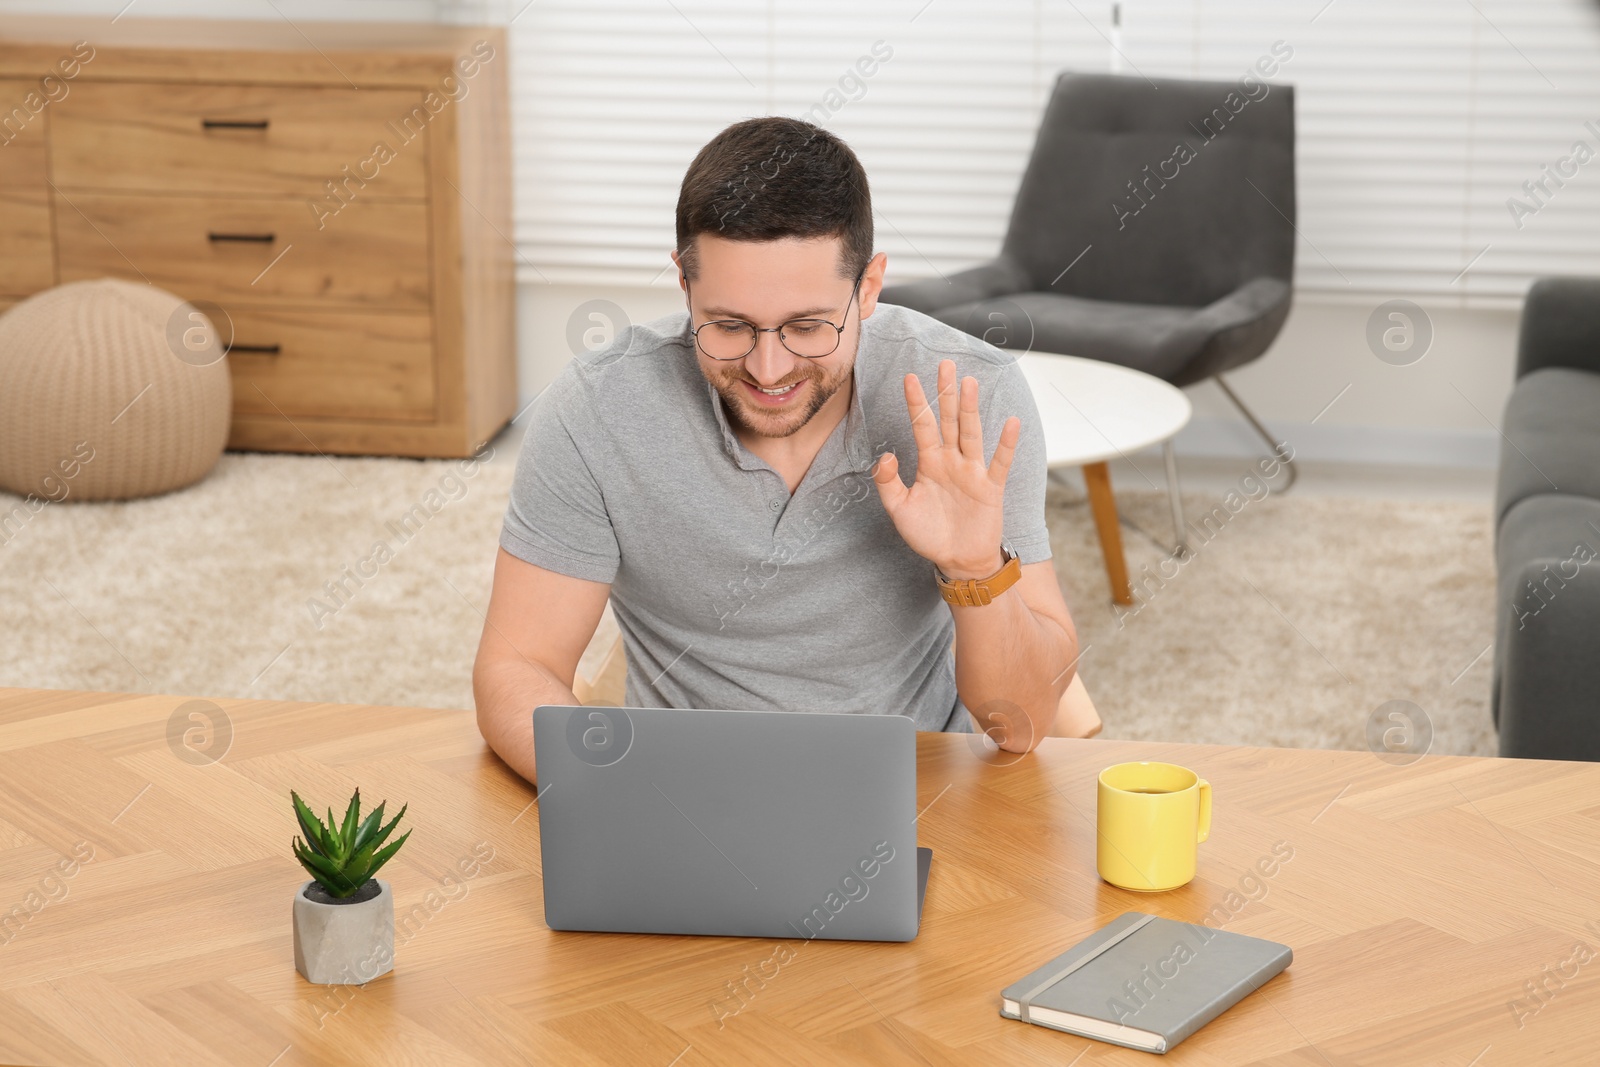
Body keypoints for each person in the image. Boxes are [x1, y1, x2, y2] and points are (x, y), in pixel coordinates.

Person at [473, 116, 1079, 785]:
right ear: (683, 283)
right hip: (672, 792)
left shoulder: (970, 398)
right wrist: (623, 794)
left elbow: (1022, 724)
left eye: (807, 326)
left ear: (869, 287)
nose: (767, 368)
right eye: (729, 325)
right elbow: (517, 666)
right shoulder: (598, 409)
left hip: (910, 797)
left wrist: (975, 571)